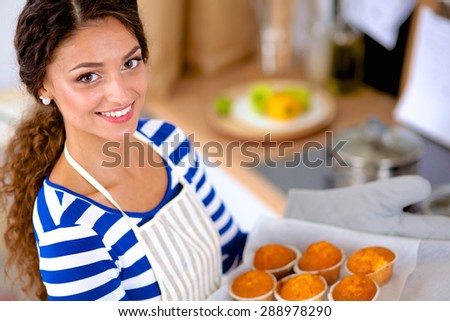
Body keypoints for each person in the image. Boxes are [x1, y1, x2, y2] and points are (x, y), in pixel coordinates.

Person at [0, 0, 247, 301]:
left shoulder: (169, 142)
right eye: (88, 77)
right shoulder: (68, 227)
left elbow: (235, 256)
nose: (120, 94)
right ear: (43, 87)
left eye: (130, 63)